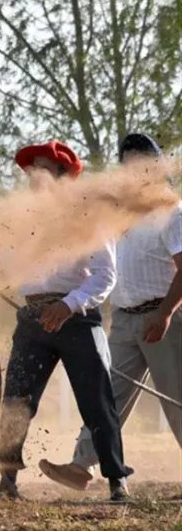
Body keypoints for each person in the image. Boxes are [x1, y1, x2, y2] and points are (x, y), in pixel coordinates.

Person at [0, 140, 133, 502]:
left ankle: (117, 482)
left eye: (43, 169)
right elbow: (6, 266)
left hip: (77, 320)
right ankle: (7, 481)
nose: (34, 177)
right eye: (32, 169)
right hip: (33, 318)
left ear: (64, 176)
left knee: (97, 401)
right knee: (15, 402)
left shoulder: (89, 217)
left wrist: (69, 305)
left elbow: (105, 275)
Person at [39, 133, 180, 492]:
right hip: (125, 318)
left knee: (177, 400)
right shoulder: (116, 215)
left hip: (165, 319)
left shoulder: (171, 213)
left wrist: (164, 315)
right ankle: (81, 465)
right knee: (107, 397)